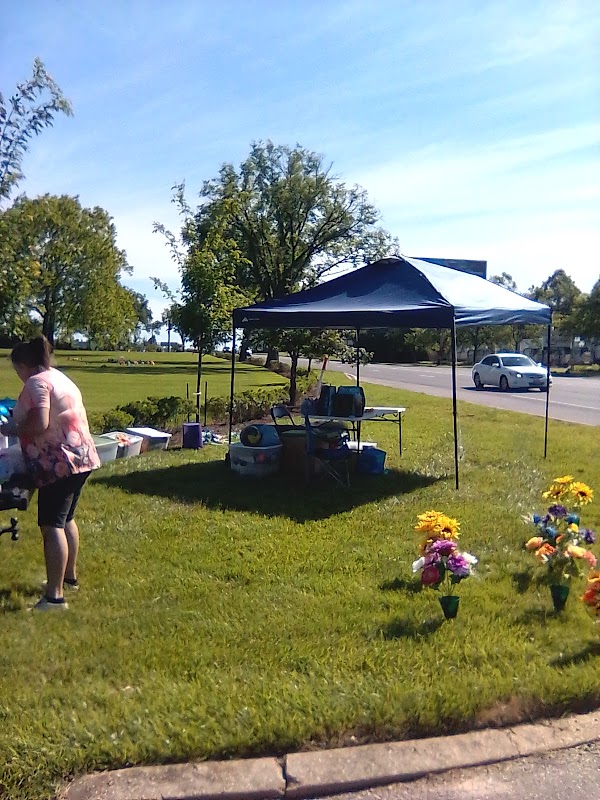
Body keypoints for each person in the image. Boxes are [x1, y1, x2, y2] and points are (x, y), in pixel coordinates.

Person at [0, 336, 100, 611]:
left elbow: (40, 423)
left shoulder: (36, 382)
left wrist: (11, 429)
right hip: (82, 456)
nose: (18, 376)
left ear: (23, 365)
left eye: (17, 370)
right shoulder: (58, 376)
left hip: (59, 463)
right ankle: (68, 578)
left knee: (51, 525)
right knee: (66, 519)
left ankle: (55, 597)